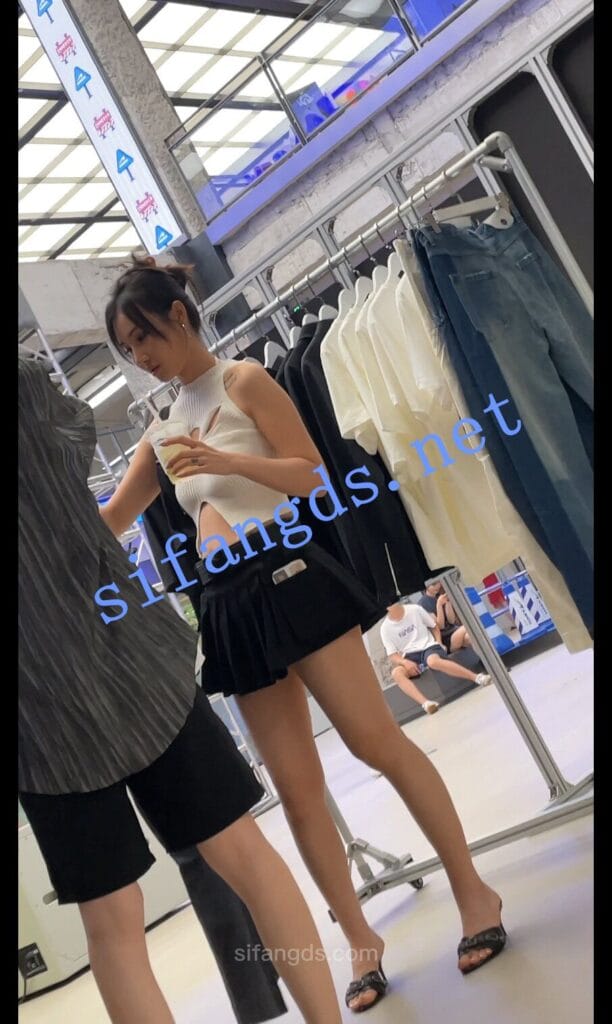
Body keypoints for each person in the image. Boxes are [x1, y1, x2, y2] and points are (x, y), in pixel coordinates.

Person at [102, 259, 508, 1011]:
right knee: (296, 793)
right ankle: (359, 938)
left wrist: (221, 460)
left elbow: (316, 477)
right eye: (128, 349)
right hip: (228, 604)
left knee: (375, 742)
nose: (140, 357)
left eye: (143, 337)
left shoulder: (244, 381)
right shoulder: (158, 433)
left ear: (178, 316)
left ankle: (473, 890)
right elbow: (111, 520)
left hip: (291, 572)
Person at [18, 353, 342, 1024]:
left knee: (112, 922)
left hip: (40, 713)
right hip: (135, 668)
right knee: (242, 855)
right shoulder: (25, 382)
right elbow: (73, 424)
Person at [381, 602, 492, 693]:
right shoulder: (385, 628)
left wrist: (438, 643)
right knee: (396, 673)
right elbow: (392, 654)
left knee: (434, 660)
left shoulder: (415, 609)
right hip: (416, 652)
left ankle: (478, 675)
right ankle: (425, 703)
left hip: (432, 646)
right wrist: (404, 662)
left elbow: (438, 625)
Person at [419, 580, 472, 653]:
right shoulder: (423, 603)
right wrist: (439, 605)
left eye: (438, 583)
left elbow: (451, 620)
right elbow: (440, 626)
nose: (437, 586)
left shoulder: (440, 595)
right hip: (445, 637)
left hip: (454, 631)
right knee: (469, 626)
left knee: (469, 638)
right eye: (433, 585)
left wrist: (448, 602)